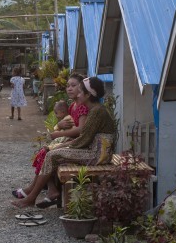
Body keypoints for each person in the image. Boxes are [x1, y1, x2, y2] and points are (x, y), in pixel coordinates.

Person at [12, 77, 115, 208]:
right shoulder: (96, 109)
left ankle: (32, 198)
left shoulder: (97, 111)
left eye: (81, 91)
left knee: (52, 155)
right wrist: (61, 146)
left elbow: (84, 139)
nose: (78, 93)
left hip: (97, 155)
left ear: (88, 95)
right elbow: (85, 138)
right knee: (51, 153)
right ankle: (39, 194)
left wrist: (61, 146)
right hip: (94, 151)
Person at [12, 73, 88, 199]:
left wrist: (58, 133)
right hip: (68, 141)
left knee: (45, 153)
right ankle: (49, 189)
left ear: (82, 88)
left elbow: (80, 130)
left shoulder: (82, 107)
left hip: (75, 144)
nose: (69, 88)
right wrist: (60, 124)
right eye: (68, 85)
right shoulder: (73, 105)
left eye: (73, 85)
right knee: (44, 153)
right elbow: (68, 123)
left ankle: (34, 191)